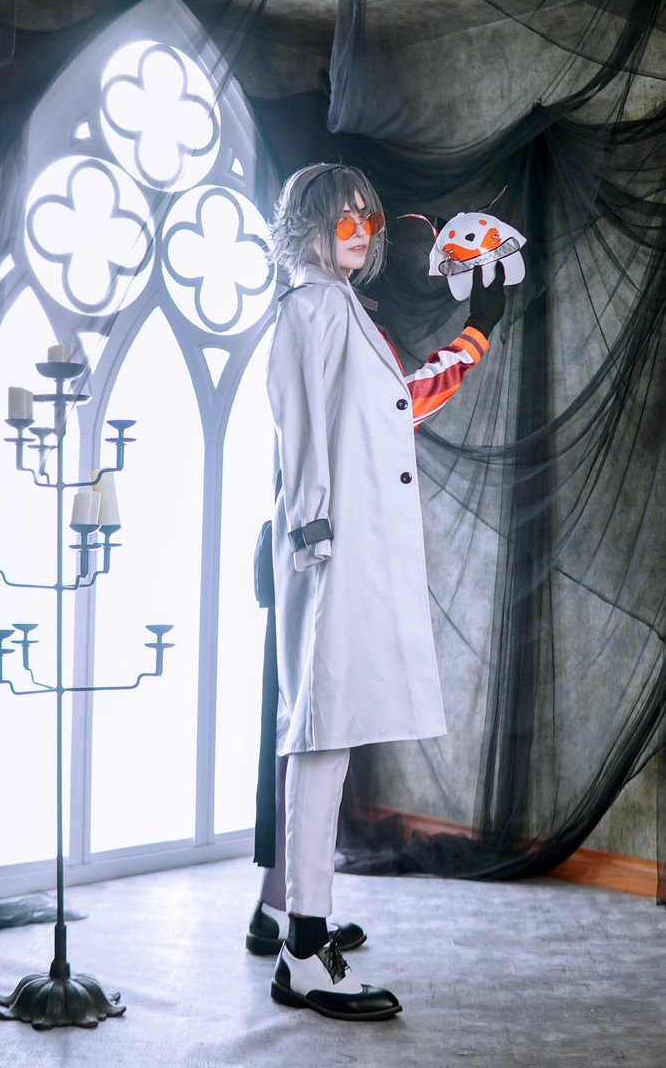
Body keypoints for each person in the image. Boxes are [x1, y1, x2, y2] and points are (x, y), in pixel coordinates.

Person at [248, 163, 507, 1021]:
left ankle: (303, 928)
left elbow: (401, 406)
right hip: (330, 549)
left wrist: (476, 333)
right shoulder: (311, 308)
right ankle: (300, 948)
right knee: (320, 736)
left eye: (368, 218)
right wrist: (311, 534)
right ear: (307, 228)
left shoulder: (341, 308)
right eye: (343, 219)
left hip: (343, 545)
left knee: (331, 734)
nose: (360, 231)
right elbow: (298, 431)